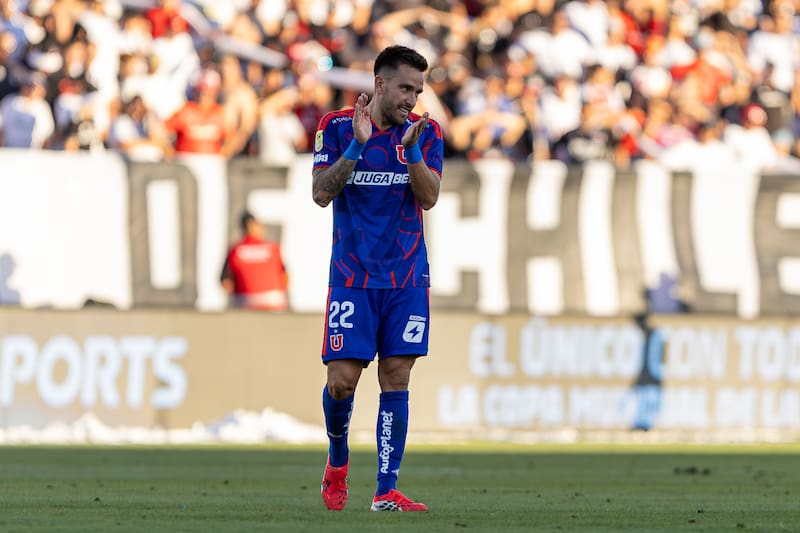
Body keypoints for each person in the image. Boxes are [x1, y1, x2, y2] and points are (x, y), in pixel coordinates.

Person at [311, 45, 443, 513]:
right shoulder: (338, 127)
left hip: (406, 277)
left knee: (397, 376)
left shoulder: (425, 133)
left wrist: (411, 157)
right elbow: (321, 194)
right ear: (380, 83)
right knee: (342, 382)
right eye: (406, 88)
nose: (413, 98)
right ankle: (338, 459)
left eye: (419, 90)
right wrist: (358, 146)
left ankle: (386, 490)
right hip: (351, 278)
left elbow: (429, 199)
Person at [219, 211, 288, 311]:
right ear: (252, 226)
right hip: (273, 299)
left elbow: (225, 281)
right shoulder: (273, 248)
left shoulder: (235, 250)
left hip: (244, 301)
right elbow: (285, 277)